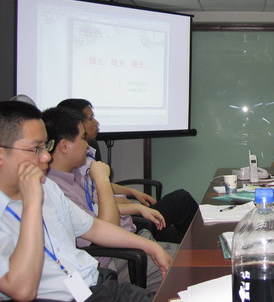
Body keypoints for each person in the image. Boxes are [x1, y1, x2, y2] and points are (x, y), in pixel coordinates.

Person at [0, 100, 171, 302]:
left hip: (94, 284)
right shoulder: (34, 195)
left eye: (46, 145)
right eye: (35, 148)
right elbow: (22, 291)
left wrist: (151, 247)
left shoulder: (48, 187)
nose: (46, 156)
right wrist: (31, 205)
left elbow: (94, 228)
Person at [43, 107, 178, 292]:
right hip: (114, 261)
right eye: (83, 138)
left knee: (194, 256)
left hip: (128, 244)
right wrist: (102, 179)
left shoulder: (73, 176)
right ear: (65, 146)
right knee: (189, 269)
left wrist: (136, 211)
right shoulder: (55, 188)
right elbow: (105, 231)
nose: (88, 146)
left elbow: (96, 218)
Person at [57, 98, 198, 244]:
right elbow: (98, 214)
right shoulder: (69, 176)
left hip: (126, 223)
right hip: (123, 231)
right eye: (91, 118)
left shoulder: (81, 163)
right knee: (181, 201)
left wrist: (132, 194)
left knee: (183, 236)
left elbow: (95, 199)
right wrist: (132, 206)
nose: (96, 122)